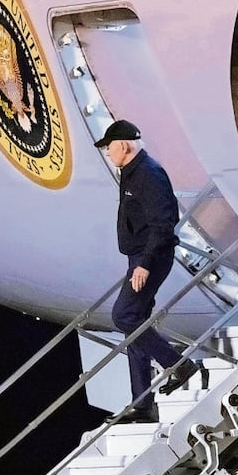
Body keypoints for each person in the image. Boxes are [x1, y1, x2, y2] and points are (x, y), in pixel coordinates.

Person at [95, 119, 202, 424]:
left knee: (124, 316)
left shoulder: (148, 174)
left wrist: (144, 263)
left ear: (123, 145)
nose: (107, 153)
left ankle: (179, 365)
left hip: (150, 259)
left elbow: (163, 224)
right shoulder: (131, 172)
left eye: (109, 148)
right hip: (139, 257)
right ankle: (142, 405)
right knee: (136, 327)